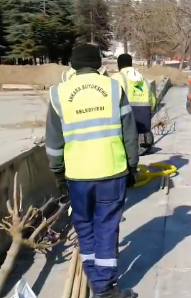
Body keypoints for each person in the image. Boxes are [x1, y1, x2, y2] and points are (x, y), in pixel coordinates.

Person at [45, 43, 139, 298]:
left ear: (72, 65)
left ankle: (97, 281)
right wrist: (132, 166)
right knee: (107, 228)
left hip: (77, 176)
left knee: (84, 227)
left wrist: (57, 173)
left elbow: (53, 142)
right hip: (112, 170)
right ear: (98, 64)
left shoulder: (58, 94)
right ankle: (104, 288)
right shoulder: (113, 88)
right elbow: (129, 132)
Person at [111, 54, 156, 152]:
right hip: (144, 116)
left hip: (127, 117)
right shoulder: (142, 78)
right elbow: (152, 99)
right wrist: (150, 111)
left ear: (119, 65)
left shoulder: (117, 78)